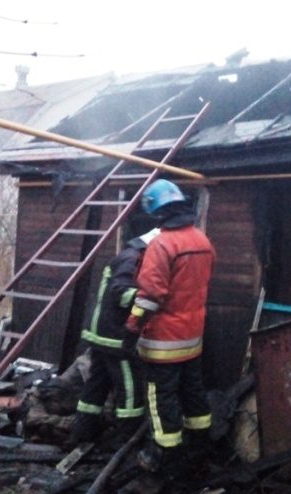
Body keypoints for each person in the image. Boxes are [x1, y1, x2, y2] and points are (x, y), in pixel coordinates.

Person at [123, 179, 216, 474]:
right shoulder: (202, 241)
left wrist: (132, 327)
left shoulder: (162, 245)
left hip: (162, 342)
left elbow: (149, 297)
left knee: (161, 396)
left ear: (158, 211)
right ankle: (200, 445)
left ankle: (163, 453)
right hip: (192, 338)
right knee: (193, 390)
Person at [66, 228, 160, 450]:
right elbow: (120, 292)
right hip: (116, 337)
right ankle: (127, 439)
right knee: (130, 387)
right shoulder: (133, 259)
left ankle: (82, 432)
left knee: (96, 385)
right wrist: (151, 298)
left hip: (101, 333)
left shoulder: (128, 255)